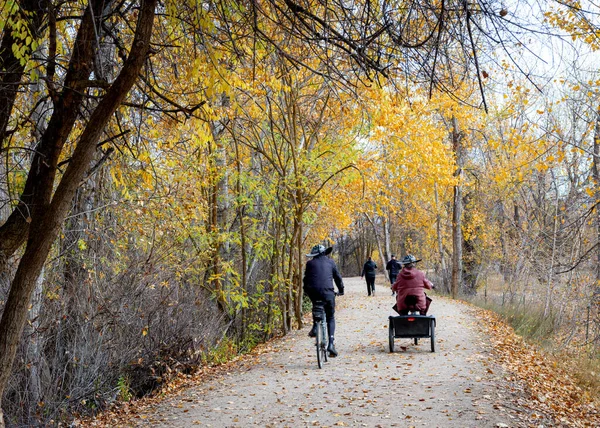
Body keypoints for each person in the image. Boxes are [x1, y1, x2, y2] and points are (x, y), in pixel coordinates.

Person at [303, 244, 344, 357]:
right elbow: (337, 277)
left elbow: (306, 280)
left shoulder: (309, 263)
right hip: (328, 293)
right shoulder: (331, 262)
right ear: (324, 253)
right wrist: (341, 290)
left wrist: (307, 292)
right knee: (330, 317)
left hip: (313, 292)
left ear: (314, 255)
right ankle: (331, 343)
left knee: (315, 304)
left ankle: (315, 326)